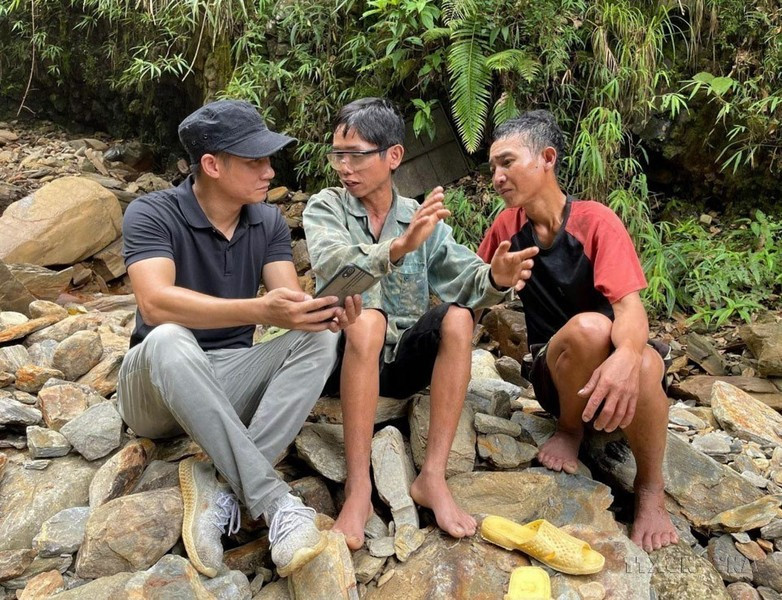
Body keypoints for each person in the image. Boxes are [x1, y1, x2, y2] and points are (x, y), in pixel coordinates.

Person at [117, 99, 362, 578]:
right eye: (255, 161)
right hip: (153, 389)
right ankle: (274, 503)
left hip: (227, 380)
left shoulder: (266, 220)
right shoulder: (151, 213)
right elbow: (155, 303)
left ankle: (224, 487)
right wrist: (256, 309)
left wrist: (322, 313)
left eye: (269, 160)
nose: (269, 172)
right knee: (170, 338)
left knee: (319, 341)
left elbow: (287, 302)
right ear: (211, 164)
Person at [302, 97, 538, 550]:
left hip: (400, 364)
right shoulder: (325, 206)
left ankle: (432, 478)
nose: (344, 168)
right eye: (338, 156)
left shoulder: (419, 217)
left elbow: (466, 278)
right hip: (339, 355)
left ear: (393, 156)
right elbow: (333, 268)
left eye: (356, 155)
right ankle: (358, 490)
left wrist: (496, 277)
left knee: (457, 317)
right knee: (367, 321)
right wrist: (397, 248)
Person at [477, 110, 679, 552]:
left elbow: (630, 308)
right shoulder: (506, 229)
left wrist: (626, 358)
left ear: (546, 158)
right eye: (492, 166)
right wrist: (494, 282)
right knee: (589, 329)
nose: (497, 176)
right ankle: (569, 430)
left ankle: (649, 489)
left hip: (618, 378)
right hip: (558, 376)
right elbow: (472, 295)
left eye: (507, 162)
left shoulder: (595, 222)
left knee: (641, 358)